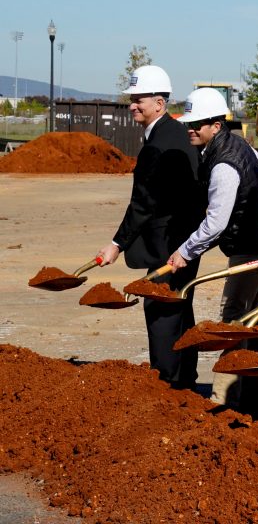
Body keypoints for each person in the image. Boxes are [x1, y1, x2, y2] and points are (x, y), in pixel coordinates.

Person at [97, 65, 204, 391]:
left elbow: (143, 204)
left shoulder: (159, 144)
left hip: (167, 245)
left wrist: (116, 244)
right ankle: (185, 380)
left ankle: (167, 386)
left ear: (159, 103)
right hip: (186, 242)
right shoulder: (177, 132)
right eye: (132, 99)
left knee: (161, 312)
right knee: (181, 308)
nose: (132, 105)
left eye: (139, 99)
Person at [169, 87, 258, 417]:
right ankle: (253, 397)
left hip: (247, 249)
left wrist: (184, 251)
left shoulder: (224, 163)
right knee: (251, 321)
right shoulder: (238, 146)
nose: (191, 129)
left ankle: (222, 402)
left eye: (198, 123)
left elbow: (216, 223)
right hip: (254, 244)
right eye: (189, 124)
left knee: (231, 322)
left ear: (216, 124)